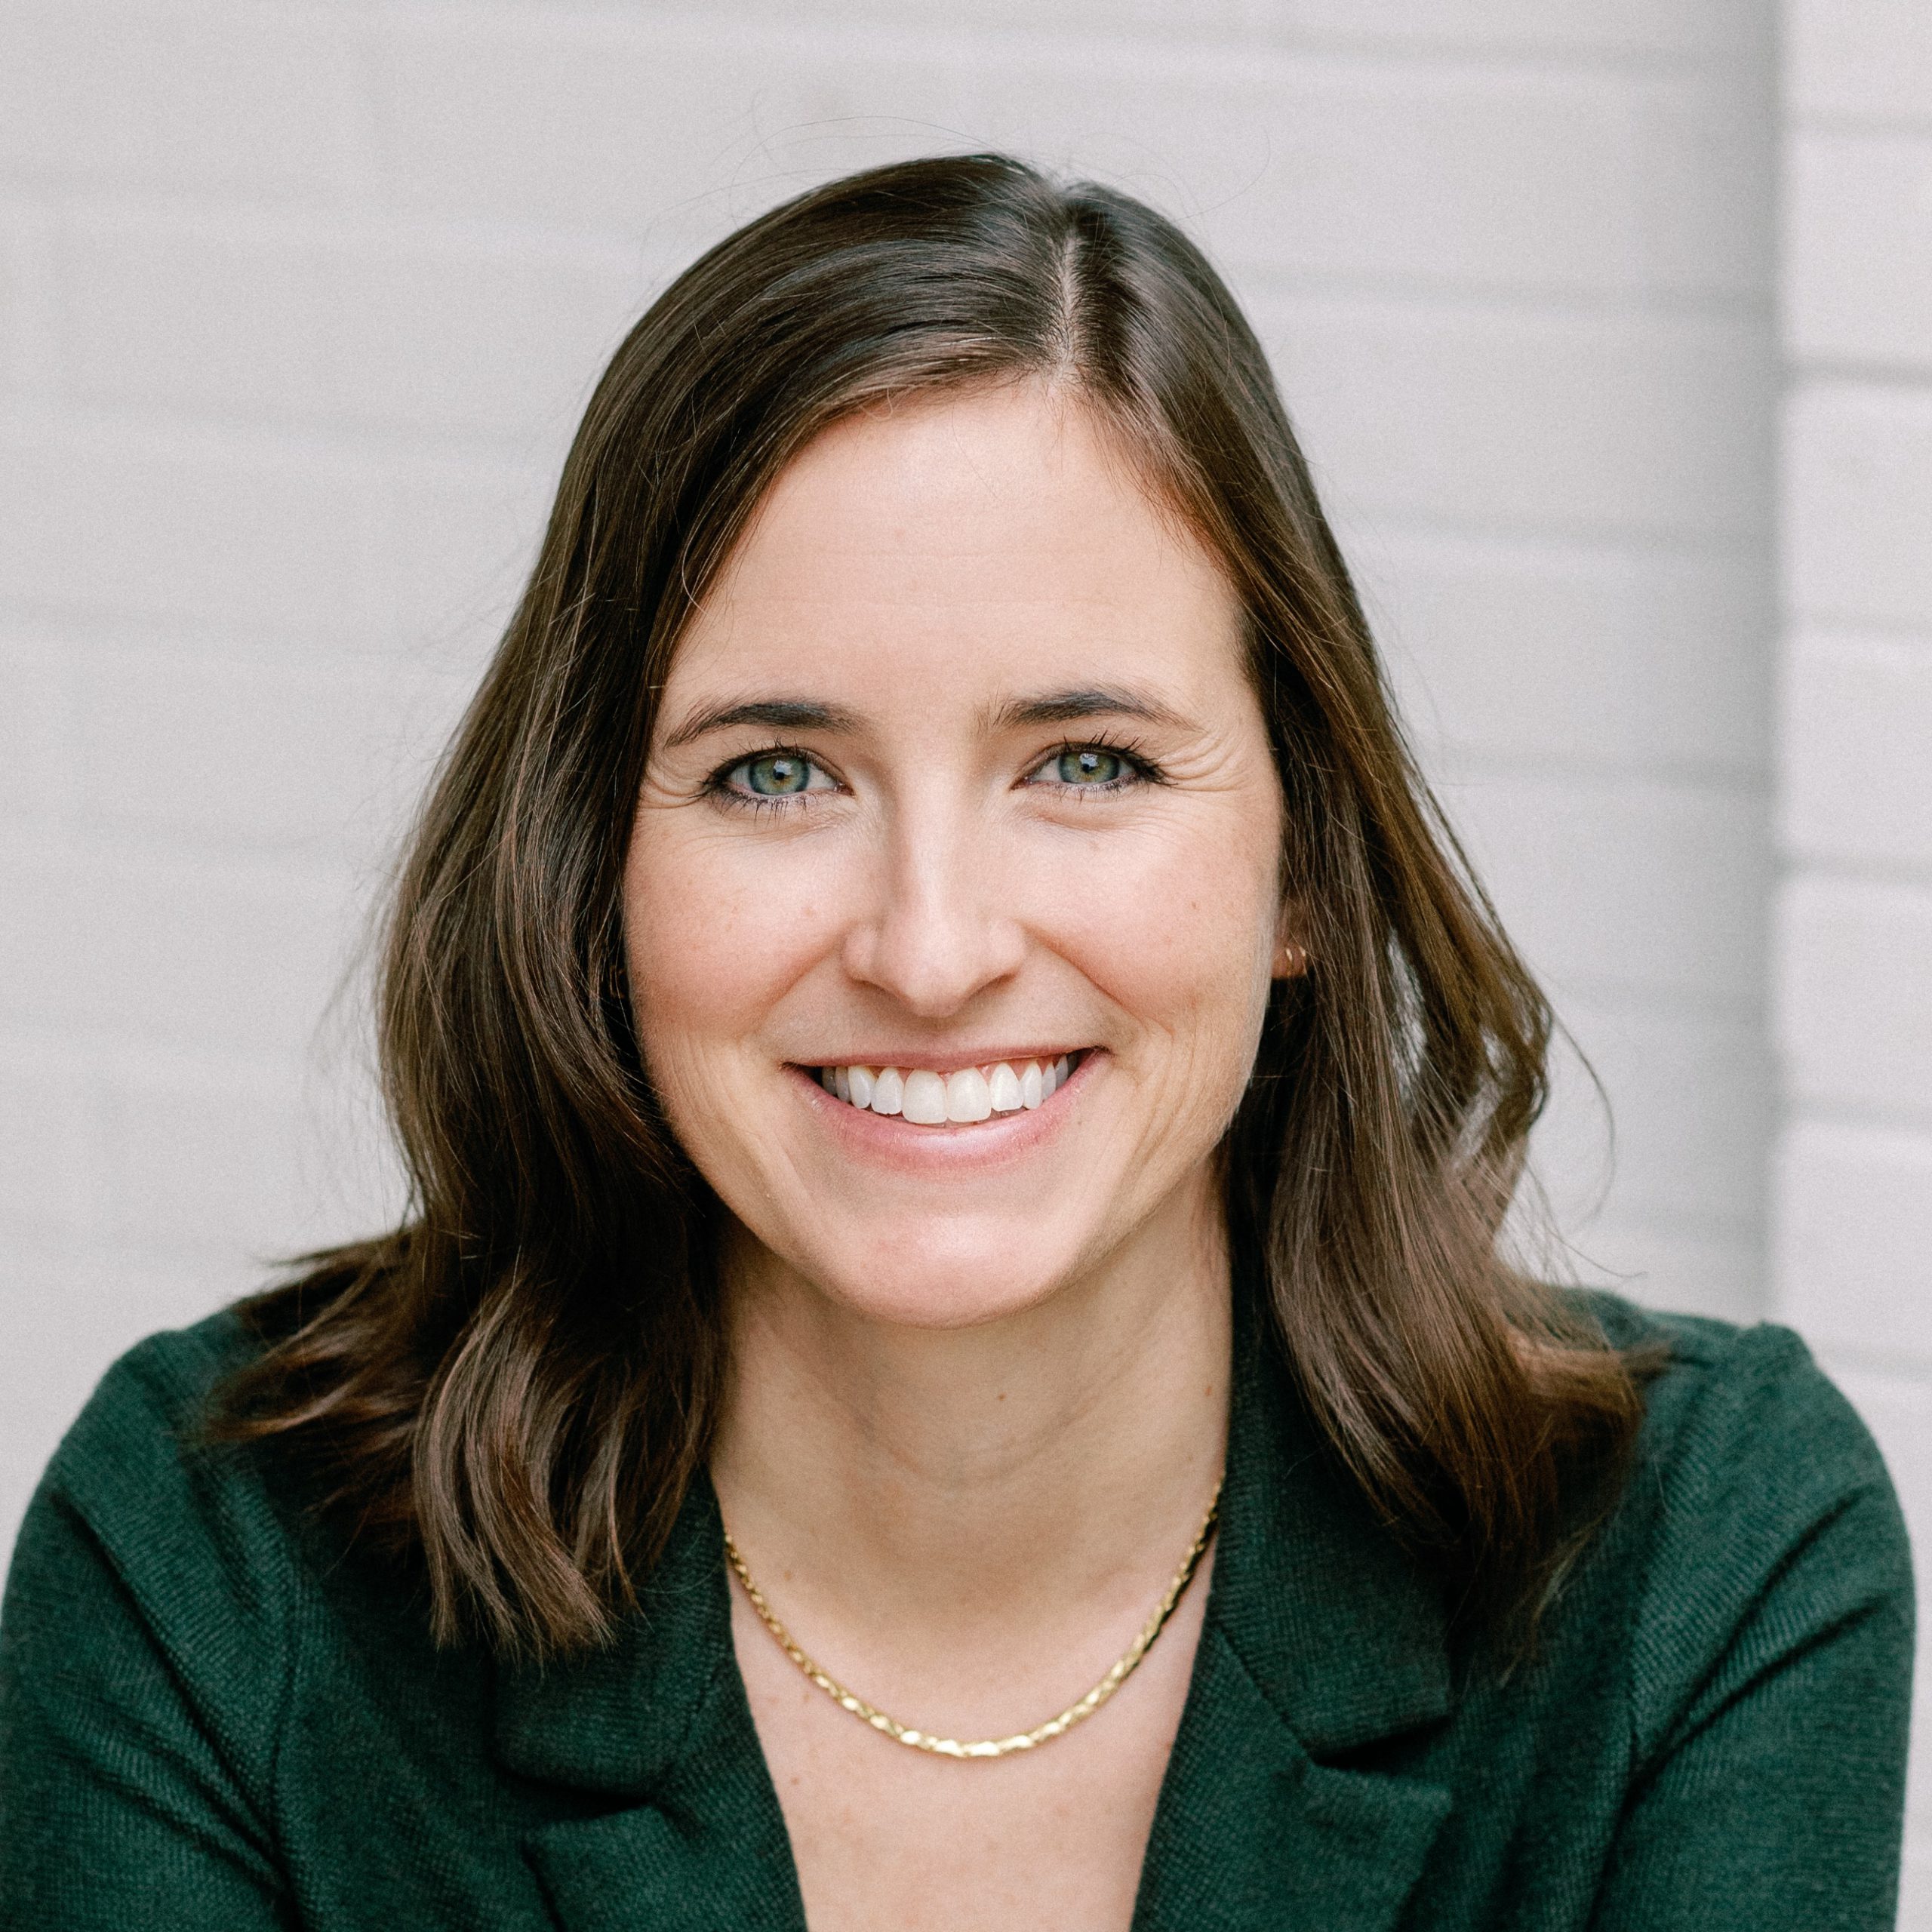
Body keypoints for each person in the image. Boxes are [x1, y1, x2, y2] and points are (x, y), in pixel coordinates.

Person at [0, 154, 1912, 1932]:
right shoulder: (209, 1561)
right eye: (772, 771)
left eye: (1083, 763)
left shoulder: (1702, 1557)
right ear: (588, 864)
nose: (928, 949)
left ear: (1303, 860)